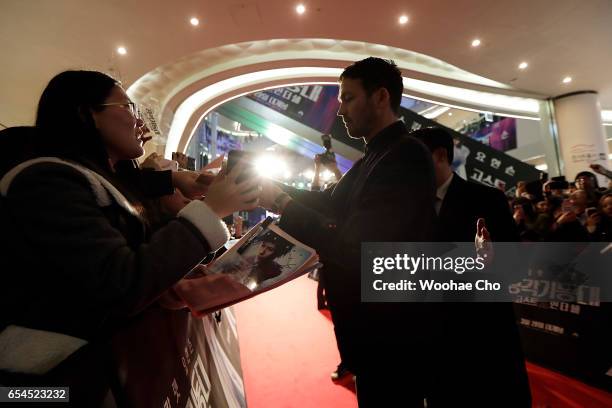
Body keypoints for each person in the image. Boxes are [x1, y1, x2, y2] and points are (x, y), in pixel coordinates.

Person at [0, 70, 260, 405]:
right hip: (51, 383)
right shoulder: (44, 182)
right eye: (128, 107)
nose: (141, 121)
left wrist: (177, 182)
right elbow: (121, 283)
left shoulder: (96, 177)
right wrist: (211, 211)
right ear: (86, 113)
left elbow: (125, 198)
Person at [260, 57, 437, 406]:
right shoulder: (374, 156)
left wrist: (281, 200)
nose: (340, 110)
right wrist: (264, 186)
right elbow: (328, 201)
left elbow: (359, 247)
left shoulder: (405, 155)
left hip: (393, 333)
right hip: (372, 331)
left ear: (381, 97)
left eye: (348, 98)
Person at [412, 126, 531, 407]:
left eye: (415, 160)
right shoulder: (409, 209)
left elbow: (515, 269)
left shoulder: (487, 200)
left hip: (485, 342)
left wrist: (490, 261)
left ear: (440, 156)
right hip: (435, 347)